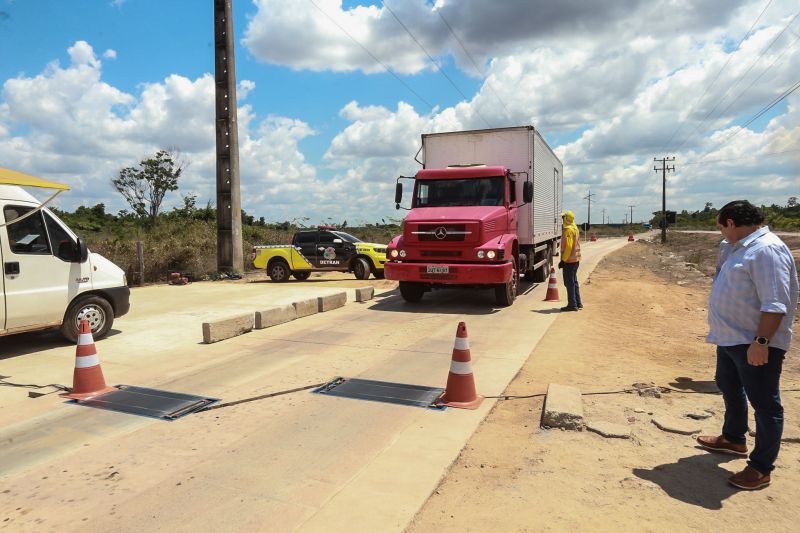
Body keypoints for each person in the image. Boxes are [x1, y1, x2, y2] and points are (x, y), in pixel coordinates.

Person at [697, 200, 798, 490]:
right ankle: (734, 438)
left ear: (730, 222)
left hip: (754, 341)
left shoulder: (766, 250)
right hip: (730, 337)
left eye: (720, 227)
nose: (720, 233)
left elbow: (775, 303)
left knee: (765, 404)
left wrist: (762, 342)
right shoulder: (736, 247)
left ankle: (761, 467)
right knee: (728, 385)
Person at [558, 210, 582, 311]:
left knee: (569, 282)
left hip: (569, 261)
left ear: (567, 219)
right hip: (576, 259)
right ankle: (577, 302)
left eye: (563, 217)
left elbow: (568, 246)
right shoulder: (575, 228)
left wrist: (563, 260)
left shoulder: (568, 230)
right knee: (574, 281)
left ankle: (572, 305)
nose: (562, 219)